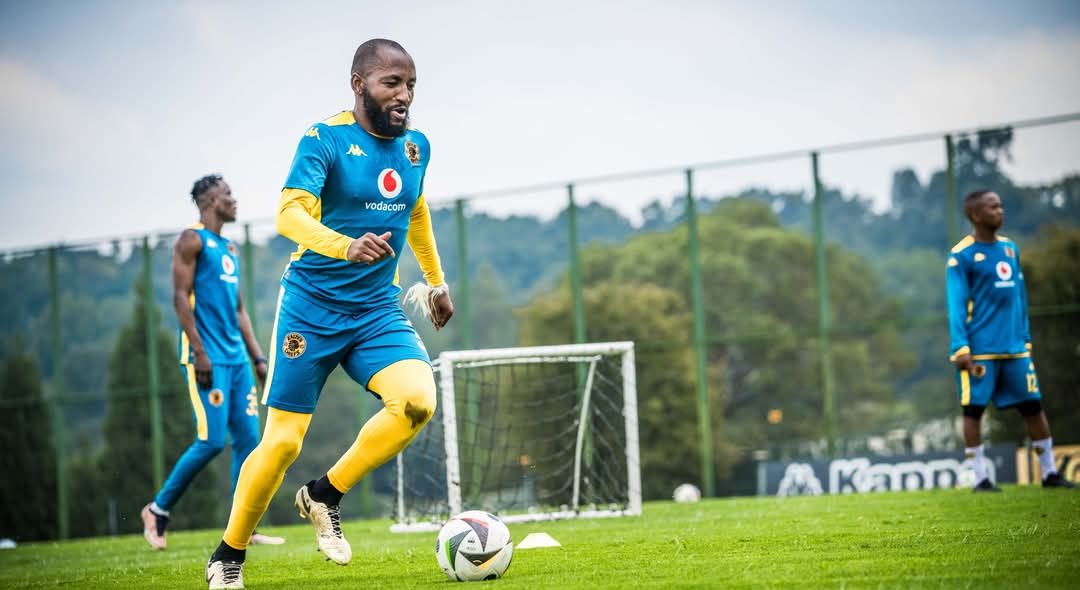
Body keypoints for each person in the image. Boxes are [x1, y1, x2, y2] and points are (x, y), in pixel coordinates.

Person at [205, 39, 452, 589]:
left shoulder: (416, 148)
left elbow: (415, 209)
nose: (404, 95)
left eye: (411, 85)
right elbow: (288, 215)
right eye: (392, 83)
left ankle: (324, 495)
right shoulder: (325, 139)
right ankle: (228, 555)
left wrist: (435, 282)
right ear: (358, 83)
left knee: (416, 401)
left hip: (375, 311)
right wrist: (344, 245)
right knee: (283, 443)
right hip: (311, 308)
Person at [141, 175, 284, 550]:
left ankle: (244, 527)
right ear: (209, 200)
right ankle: (157, 510)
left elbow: (238, 310)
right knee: (211, 440)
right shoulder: (192, 240)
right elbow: (178, 297)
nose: (235, 200)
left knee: (249, 444)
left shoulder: (230, 249)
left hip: (237, 360)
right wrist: (200, 351)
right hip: (207, 359)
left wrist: (257, 357)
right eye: (228, 195)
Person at [946, 189, 1074, 493]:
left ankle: (1050, 474)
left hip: (1016, 349)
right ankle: (979, 478)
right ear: (975, 215)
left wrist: (1025, 338)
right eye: (993, 207)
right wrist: (960, 347)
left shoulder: (1010, 250)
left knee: (1033, 407)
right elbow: (955, 303)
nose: (1000, 211)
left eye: (1001, 205)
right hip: (980, 352)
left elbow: (1020, 300)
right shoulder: (961, 256)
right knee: (973, 411)